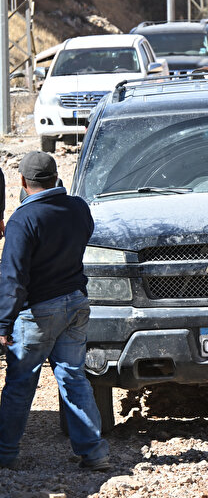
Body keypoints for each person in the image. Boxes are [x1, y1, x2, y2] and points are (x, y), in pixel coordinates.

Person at [0, 152, 110, 471]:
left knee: (20, 384)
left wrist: (4, 322)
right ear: (55, 177)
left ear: (22, 182)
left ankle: (5, 455)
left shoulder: (24, 219)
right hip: (75, 304)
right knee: (74, 378)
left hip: (37, 314)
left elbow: (13, 278)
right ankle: (94, 453)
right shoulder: (78, 208)